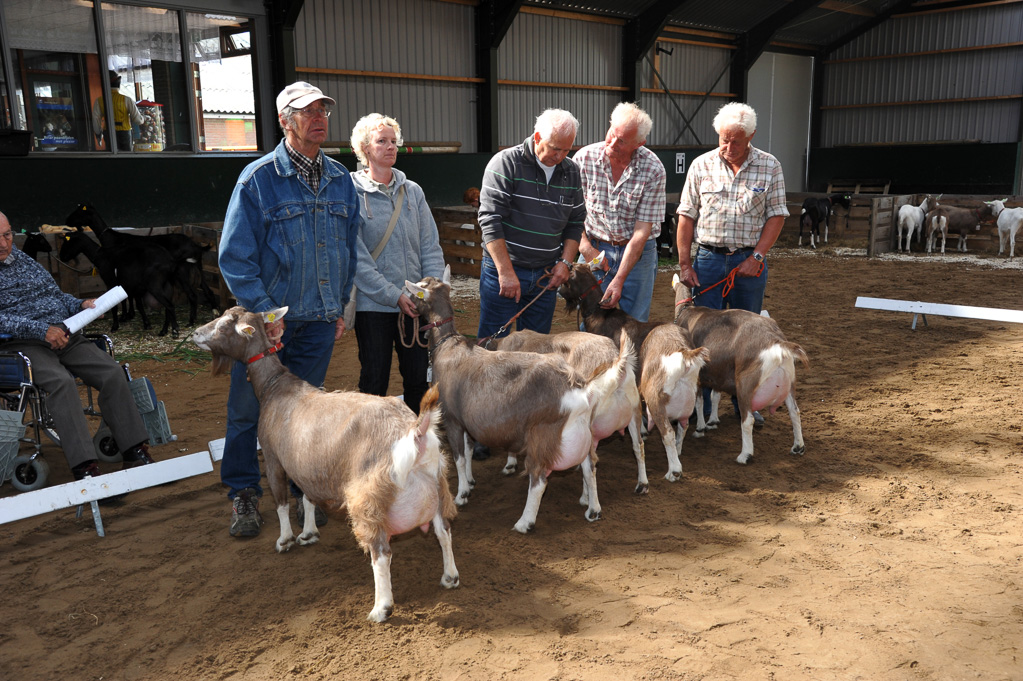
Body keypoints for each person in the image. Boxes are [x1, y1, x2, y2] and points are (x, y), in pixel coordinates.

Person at [217, 82, 359, 538]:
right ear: (285, 120)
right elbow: (235, 257)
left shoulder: (340, 179)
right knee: (246, 409)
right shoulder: (258, 180)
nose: (318, 118)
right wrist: (264, 316)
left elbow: (348, 252)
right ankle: (243, 492)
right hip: (266, 326)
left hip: (318, 319)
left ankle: (297, 491)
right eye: (307, 112)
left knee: (305, 411)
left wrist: (338, 306)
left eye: (323, 111)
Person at [0, 210, 154, 482]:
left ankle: (134, 450)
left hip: (63, 332)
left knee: (111, 372)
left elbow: (53, 295)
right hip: (22, 345)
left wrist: (79, 305)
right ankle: (85, 467)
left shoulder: (21, 258)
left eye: (7, 234)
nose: (3, 243)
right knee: (61, 382)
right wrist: (43, 330)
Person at [676, 101, 789, 425]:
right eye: (723, 139)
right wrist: (686, 265)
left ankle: (746, 406)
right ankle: (701, 411)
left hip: (748, 263)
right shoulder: (701, 165)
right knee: (702, 337)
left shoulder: (770, 166)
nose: (728, 147)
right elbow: (686, 216)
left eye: (735, 140)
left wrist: (757, 256)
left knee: (749, 335)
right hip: (708, 261)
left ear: (751, 135)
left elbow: (777, 215)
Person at [349, 113, 445, 414]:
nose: (390, 147)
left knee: (418, 379)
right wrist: (394, 295)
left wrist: (427, 290)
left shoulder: (413, 191)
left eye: (394, 141)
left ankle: (420, 446)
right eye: (382, 141)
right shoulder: (350, 194)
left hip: (415, 307)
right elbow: (356, 256)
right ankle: (370, 450)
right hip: (373, 306)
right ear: (365, 148)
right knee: (374, 380)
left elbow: (429, 244)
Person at [476, 108, 585, 341]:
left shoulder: (571, 171)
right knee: (493, 346)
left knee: (535, 348)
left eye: (567, 149)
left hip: (545, 277)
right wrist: (505, 272)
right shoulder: (505, 163)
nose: (561, 156)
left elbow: (575, 222)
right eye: (556, 148)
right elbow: (490, 220)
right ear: (537, 138)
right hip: (504, 272)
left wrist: (565, 263)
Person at [573, 102, 666, 322]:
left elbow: (642, 232)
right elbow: (571, 214)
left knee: (633, 323)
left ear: (639, 143)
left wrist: (619, 279)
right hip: (595, 247)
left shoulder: (653, 169)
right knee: (592, 320)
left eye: (622, 141)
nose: (613, 143)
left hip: (638, 253)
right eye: (612, 134)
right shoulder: (583, 159)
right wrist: (585, 248)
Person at [92, 70, 143, 152]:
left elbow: (95, 120)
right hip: (125, 133)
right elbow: (138, 120)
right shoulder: (126, 99)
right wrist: (142, 119)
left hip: (108, 133)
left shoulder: (99, 101)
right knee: (127, 157)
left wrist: (98, 135)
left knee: (111, 156)